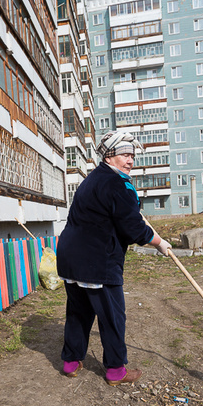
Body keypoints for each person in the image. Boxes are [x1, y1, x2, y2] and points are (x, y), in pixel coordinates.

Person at [56, 130, 172, 385]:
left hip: (70, 258)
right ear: (109, 156)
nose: (130, 160)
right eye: (125, 155)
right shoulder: (118, 184)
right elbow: (132, 229)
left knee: (78, 312)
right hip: (97, 260)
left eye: (132, 155)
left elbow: (115, 216)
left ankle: (71, 362)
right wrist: (159, 242)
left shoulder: (92, 179)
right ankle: (115, 371)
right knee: (112, 316)